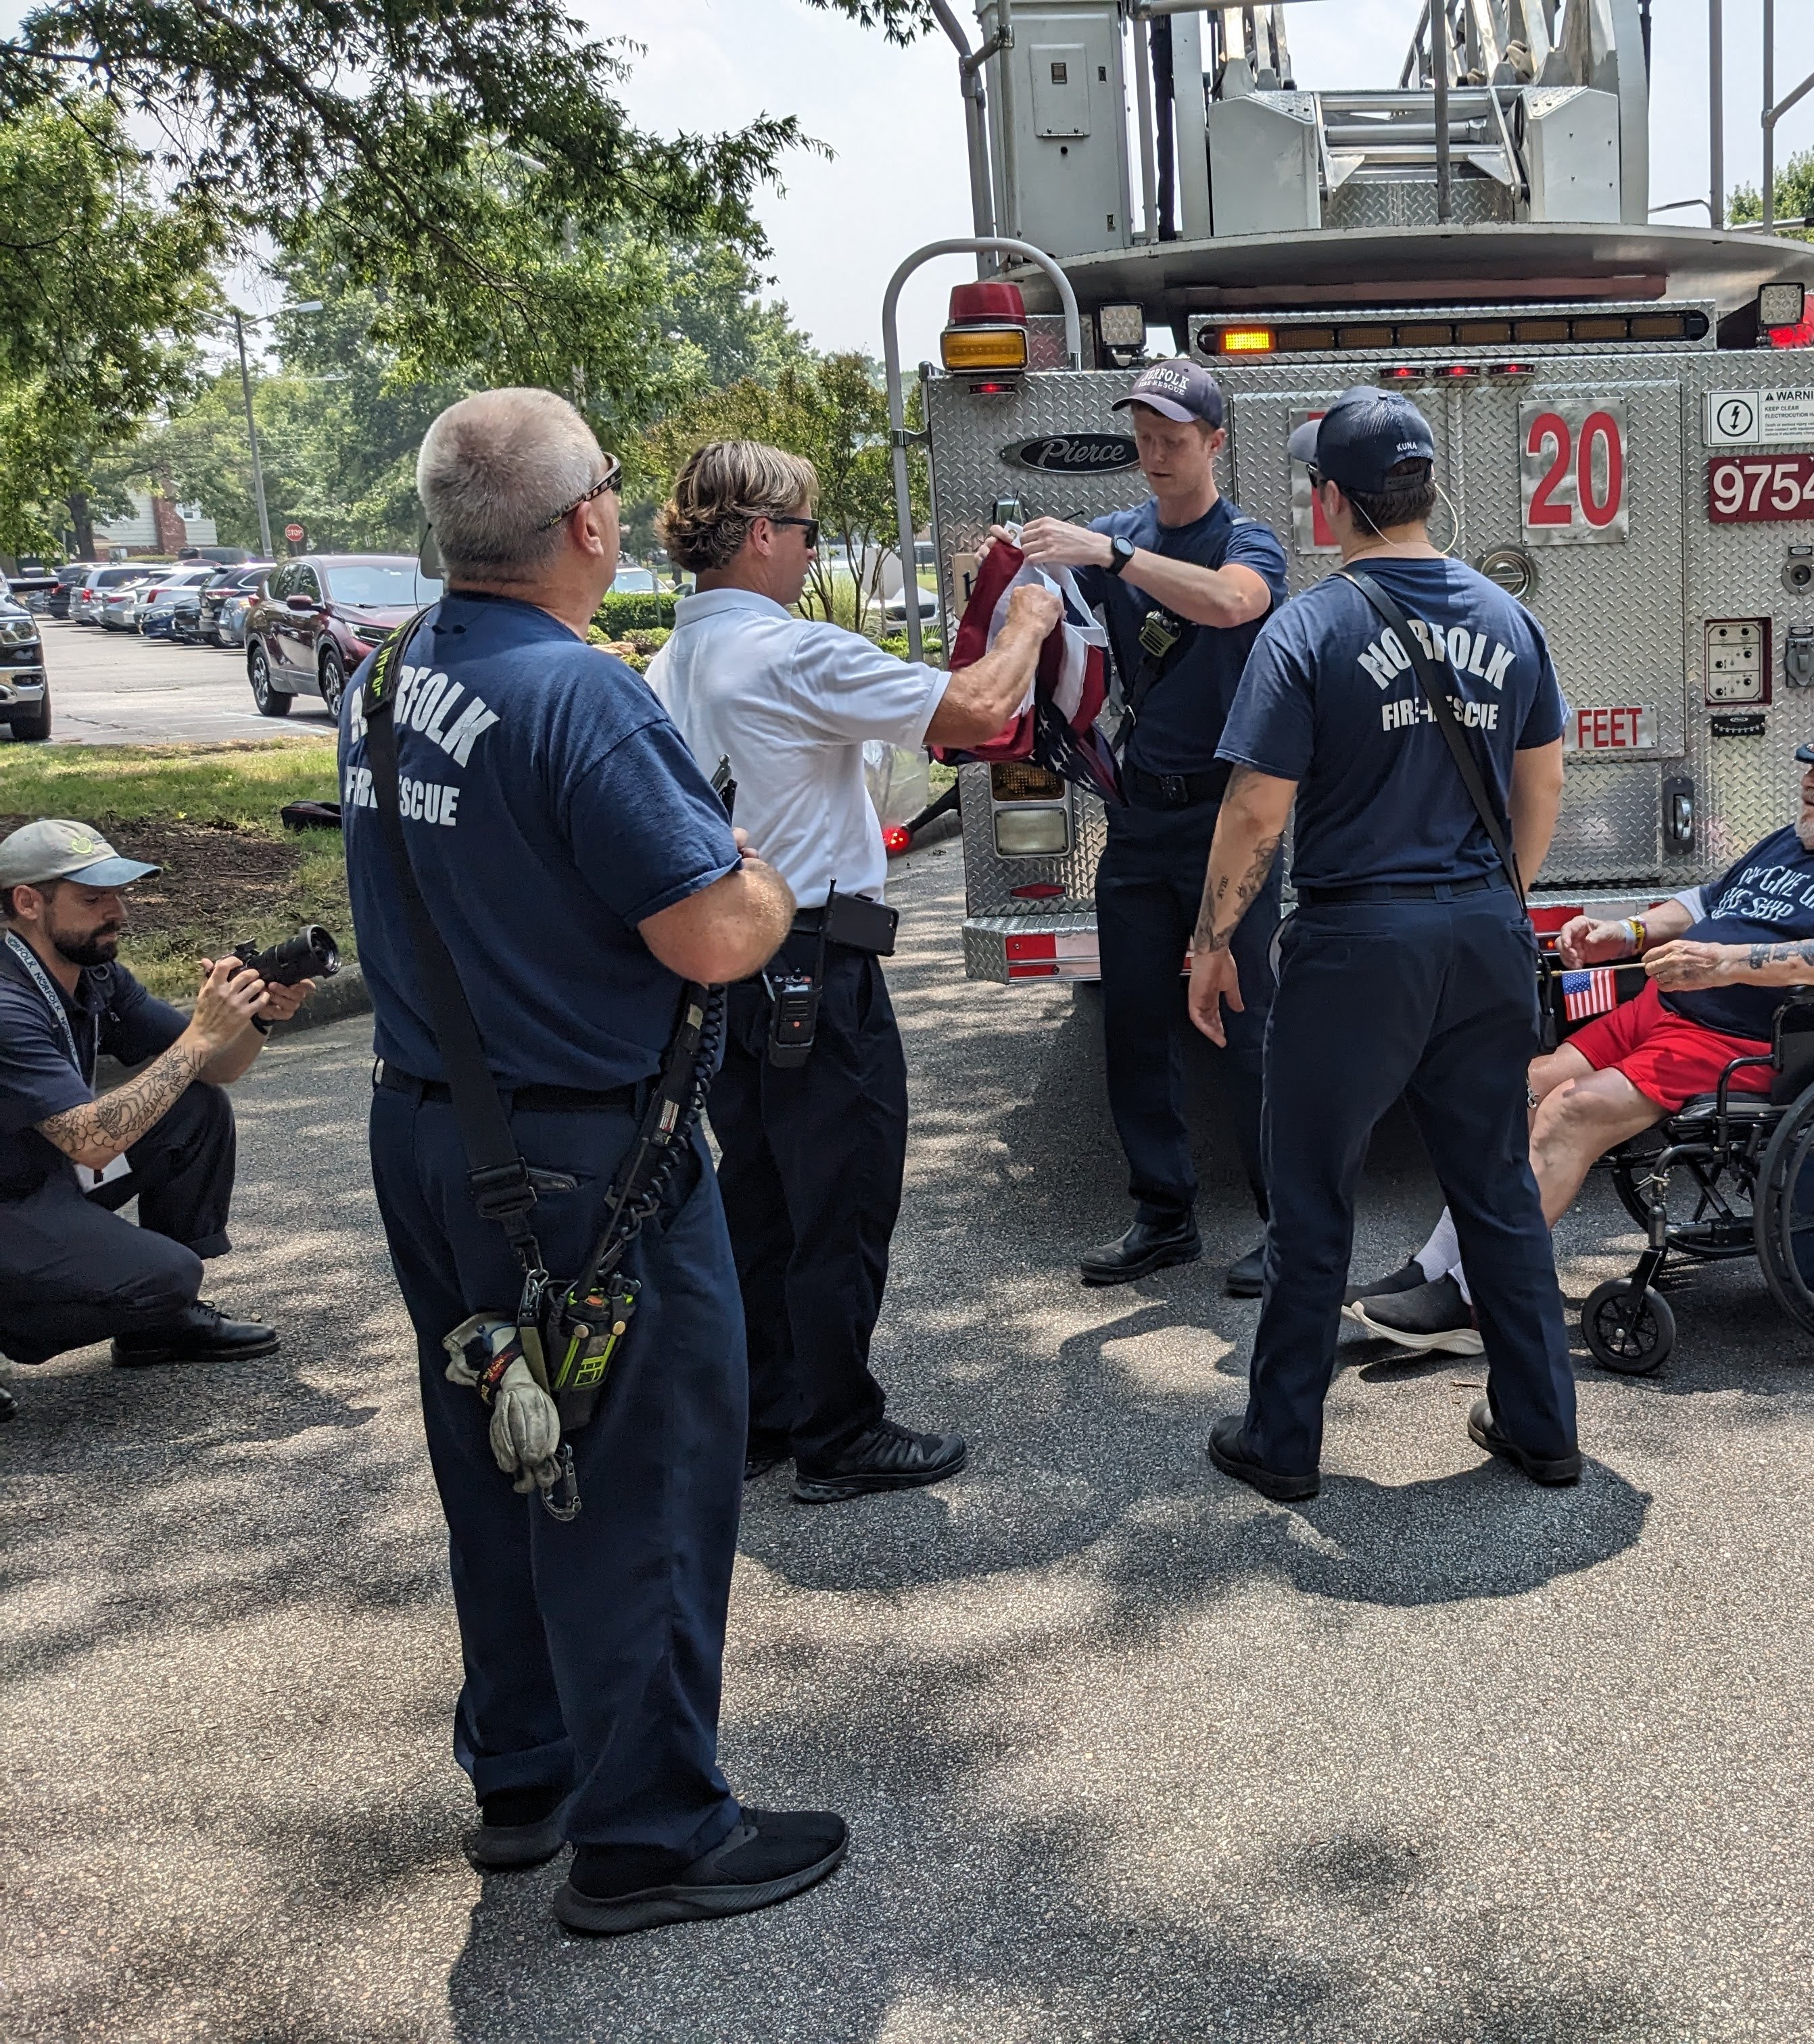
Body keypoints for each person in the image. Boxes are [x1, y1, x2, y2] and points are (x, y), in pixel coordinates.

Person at [346, 387, 837, 1935]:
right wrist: (755, 877)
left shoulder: (393, 678)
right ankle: (651, 1834)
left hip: (435, 1133)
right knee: (638, 1479)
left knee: (500, 1450)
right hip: (588, 1163)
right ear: (587, 524)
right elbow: (710, 929)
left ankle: (525, 1767)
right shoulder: (583, 697)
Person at [1185, 383, 1577, 1500]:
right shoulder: (1510, 618)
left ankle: (1281, 1440)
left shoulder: (1307, 626)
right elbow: (1540, 776)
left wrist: (1215, 936)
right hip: (1483, 933)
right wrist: (1499, 893)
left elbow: (1259, 809)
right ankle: (1543, 1426)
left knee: (1314, 1196)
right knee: (1494, 1182)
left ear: (1328, 504)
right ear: (1427, 490)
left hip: (1359, 940)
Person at [650, 439, 1056, 1503]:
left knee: (761, 1201)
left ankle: (763, 1412)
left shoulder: (673, 662)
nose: (810, 552)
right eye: (810, 533)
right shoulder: (791, 653)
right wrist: (1026, 623)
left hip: (725, 968)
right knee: (841, 1199)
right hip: (811, 967)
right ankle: (838, 1431)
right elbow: (977, 710)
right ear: (763, 535)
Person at [1351, 729, 1814, 1353]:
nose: (1811, 783)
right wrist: (1625, 933)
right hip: (1662, 1008)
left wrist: (1728, 964)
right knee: (1513, 1089)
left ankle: (1473, 1298)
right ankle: (1437, 1264)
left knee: (1570, 1112)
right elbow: (1704, 901)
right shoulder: (1788, 843)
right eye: (1811, 770)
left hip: (1739, 1041)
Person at [1011, 360, 1289, 1296]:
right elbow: (1056, 621)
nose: (1157, 453)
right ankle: (1163, 1215)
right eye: (1145, 436)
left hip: (1228, 819)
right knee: (1134, 1022)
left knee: (1247, 1025)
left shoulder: (1245, 538)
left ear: (1215, 443)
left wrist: (1113, 558)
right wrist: (1012, 571)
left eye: (1175, 437)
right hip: (1139, 816)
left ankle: (1284, 1225)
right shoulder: (1114, 534)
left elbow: (1235, 604)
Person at [0, 819, 312, 1382]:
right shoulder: (6, 1004)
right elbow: (93, 1144)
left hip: (38, 1179)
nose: (116, 912)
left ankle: (158, 1329)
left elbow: (216, 1068)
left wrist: (256, 1017)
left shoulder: (96, 976)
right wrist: (199, 1036)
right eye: (93, 898)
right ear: (27, 903)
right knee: (166, 1275)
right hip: (11, 1199)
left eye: (118, 893)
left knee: (195, 1106)